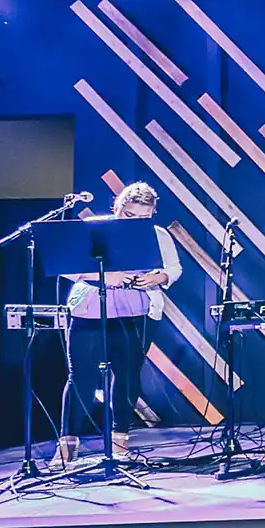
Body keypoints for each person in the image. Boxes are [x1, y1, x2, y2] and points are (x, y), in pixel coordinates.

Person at [63, 181, 182, 457]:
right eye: (129, 215)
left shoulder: (158, 234)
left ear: (152, 213)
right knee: (81, 375)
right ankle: (67, 447)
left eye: (143, 217)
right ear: (117, 207)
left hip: (137, 309)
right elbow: (68, 266)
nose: (135, 222)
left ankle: (120, 444)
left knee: (127, 376)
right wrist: (106, 277)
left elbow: (173, 269)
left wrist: (156, 278)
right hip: (91, 306)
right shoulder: (94, 226)